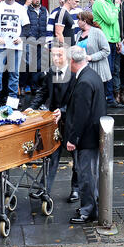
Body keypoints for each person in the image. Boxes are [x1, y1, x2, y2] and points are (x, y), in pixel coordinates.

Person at [25, 44, 78, 201]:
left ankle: (76, 189)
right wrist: (31, 108)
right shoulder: (51, 72)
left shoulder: (75, 74)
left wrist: (63, 110)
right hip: (55, 122)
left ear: (67, 57)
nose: (55, 59)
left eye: (59, 56)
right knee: (51, 156)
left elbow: (77, 99)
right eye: (54, 55)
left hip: (72, 122)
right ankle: (44, 188)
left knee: (77, 158)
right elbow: (43, 92)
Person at [64, 46, 107, 224]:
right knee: (90, 174)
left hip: (87, 137)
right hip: (93, 133)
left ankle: (88, 211)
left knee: (86, 175)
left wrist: (73, 139)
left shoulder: (83, 82)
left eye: (68, 61)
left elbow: (81, 114)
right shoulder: (92, 75)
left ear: (73, 61)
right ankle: (91, 206)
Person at [92, 0, 123, 108]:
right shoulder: (100, 2)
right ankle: (107, 99)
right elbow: (110, 20)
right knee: (106, 71)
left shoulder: (109, 2)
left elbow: (115, 25)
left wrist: (117, 40)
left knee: (112, 70)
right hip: (104, 41)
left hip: (112, 41)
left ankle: (109, 98)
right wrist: (116, 7)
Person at [20, 0, 49, 95]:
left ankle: (34, 87)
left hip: (41, 39)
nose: (37, 0)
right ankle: (22, 86)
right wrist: (25, 5)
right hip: (29, 39)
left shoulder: (44, 10)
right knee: (26, 64)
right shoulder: (26, 9)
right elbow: (20, 17)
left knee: (38, 66)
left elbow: (47, 24)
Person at [75, 11, 111, 89]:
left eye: (79, 20)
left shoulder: (97, 32)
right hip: (83, 71)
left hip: (97, 70)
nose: (77, 22)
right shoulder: (78, 34)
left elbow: (106, 50)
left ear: (84, 21)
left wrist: (91, 57)